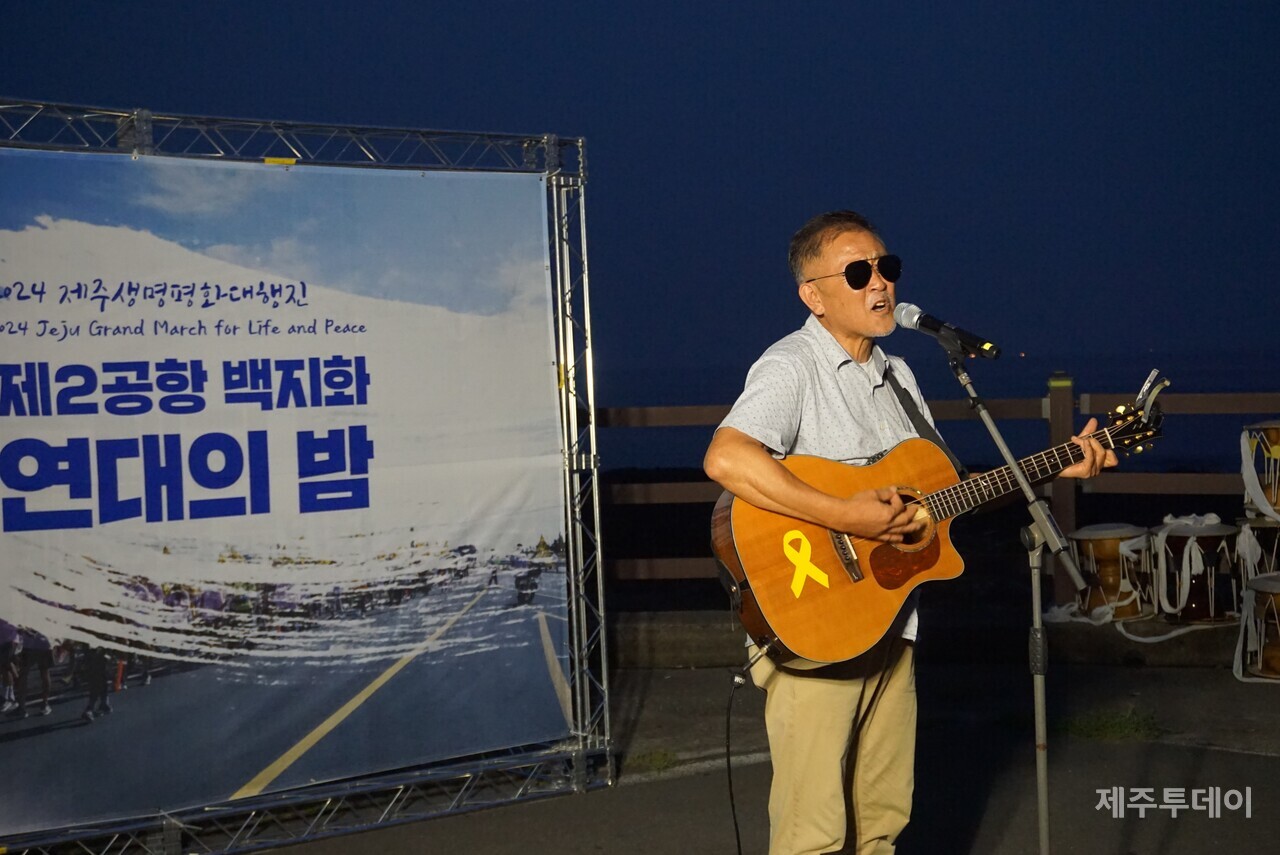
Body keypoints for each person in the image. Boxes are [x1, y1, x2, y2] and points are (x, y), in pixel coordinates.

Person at [703, 210, 1115, 855]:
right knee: (814, 833)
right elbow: (726, 458)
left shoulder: (899, 375)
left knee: (883, 820)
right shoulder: (792, 366)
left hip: (892, 622)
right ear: (813, 293)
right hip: (819, 623)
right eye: (858, 272)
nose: (880, 284)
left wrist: (1061, 460)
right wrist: (847, 516)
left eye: (886, 268)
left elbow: (937, 496)